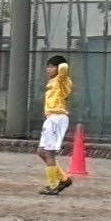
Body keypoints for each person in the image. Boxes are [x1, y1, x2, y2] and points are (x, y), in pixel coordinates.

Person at [38, 55, 74, 196]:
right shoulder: (52, 81)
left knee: (49, 152)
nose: (49, 69)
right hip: (51, 118)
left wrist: (60, 68)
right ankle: (63, 179)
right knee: (41, 151)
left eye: (52, 66)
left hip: (57, 117)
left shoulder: (62, 79)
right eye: (48, 66)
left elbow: (64, 68)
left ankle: (52, 184)